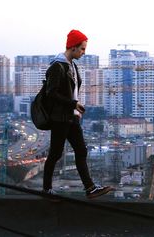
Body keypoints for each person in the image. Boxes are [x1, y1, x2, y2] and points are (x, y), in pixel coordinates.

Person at [43, 29, 113, 199]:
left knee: (81, 150)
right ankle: (46, 189)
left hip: (71, 117)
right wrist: (73, 103)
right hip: (60, 118)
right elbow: (50, 93)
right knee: (56, 154)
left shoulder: (72, 65)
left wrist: (75, 108)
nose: (84, 52)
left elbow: (71, 91)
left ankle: (90, 188)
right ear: (73, 47)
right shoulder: (57, 66)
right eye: (82, 49)